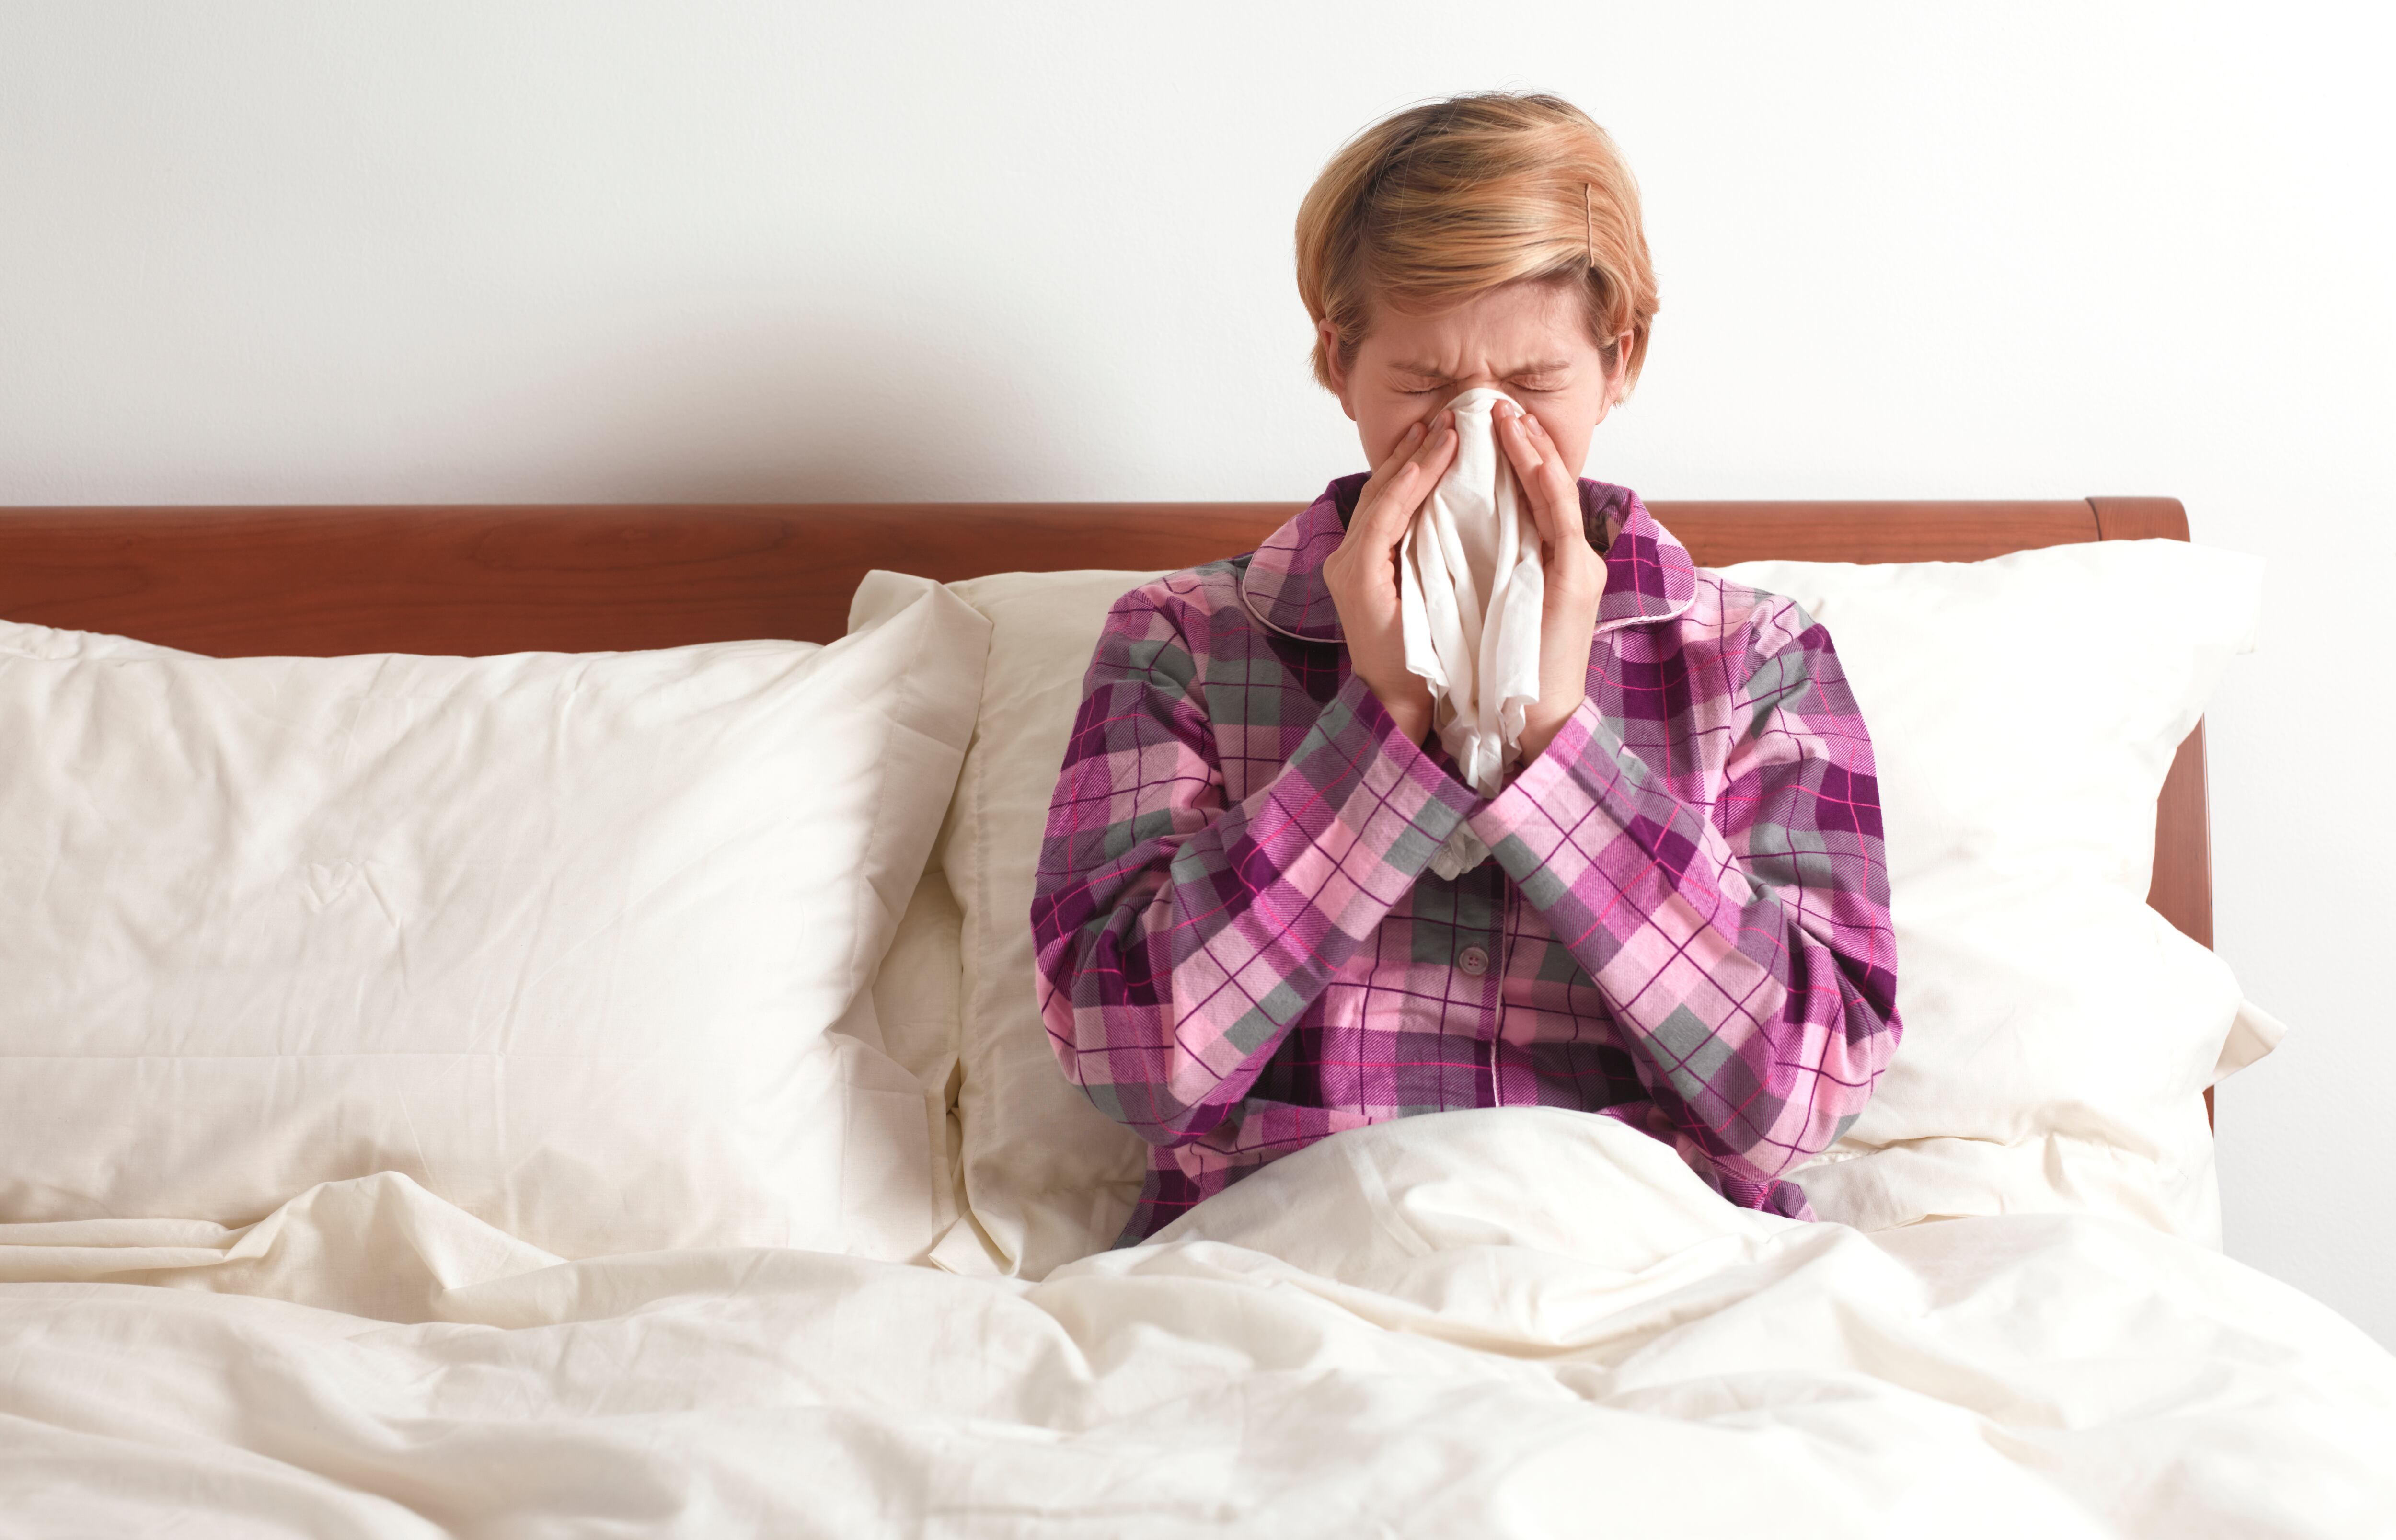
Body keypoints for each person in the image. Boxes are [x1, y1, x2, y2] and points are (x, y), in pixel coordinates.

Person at [1030, 92, 1901, 1245]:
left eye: (1532, 387)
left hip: (1653, 1260)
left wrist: (1555, 747)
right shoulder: (1184, 640)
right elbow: (1131, 1061)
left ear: (1618, 360)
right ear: (1340, 363)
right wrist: (1382, 728)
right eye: (1426, 390)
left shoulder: (1753, 661)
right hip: (1291, 1261)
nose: (1480, 437)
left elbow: (1802, 1097)